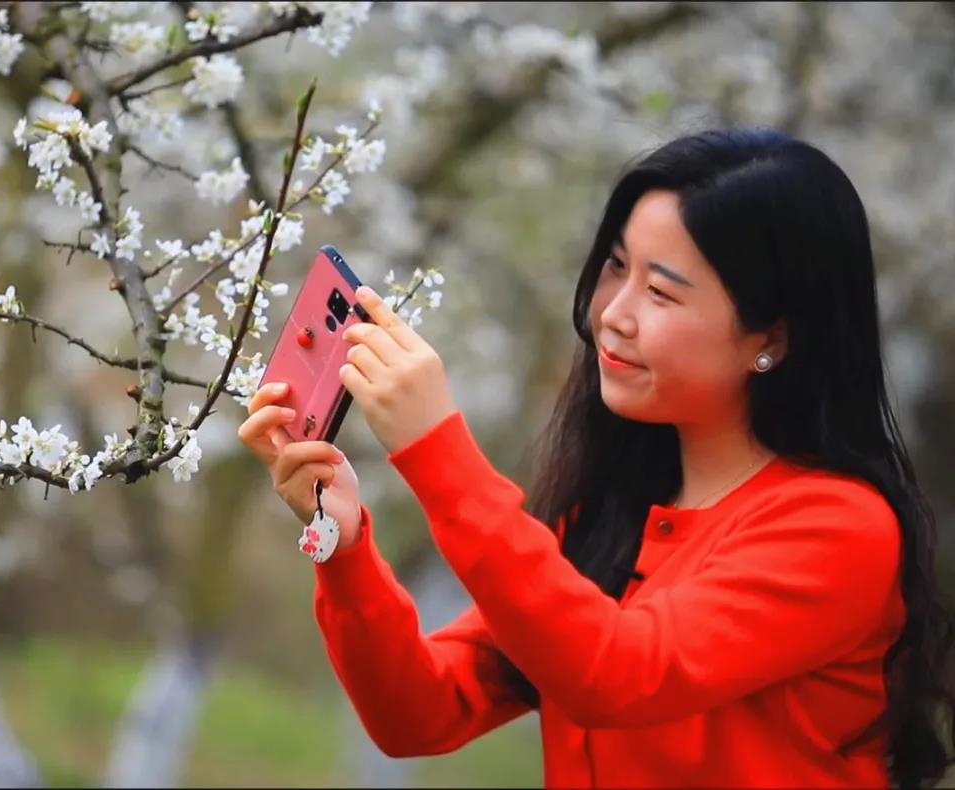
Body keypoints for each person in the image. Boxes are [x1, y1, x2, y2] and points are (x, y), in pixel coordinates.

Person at [237, 127, 955, 788]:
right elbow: (419, 712)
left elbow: (617, 672)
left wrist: (436, 450)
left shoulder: (838, 528)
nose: (614, 311)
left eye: (662, 292)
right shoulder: (610, 517)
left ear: (772, 337)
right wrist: (345, 543)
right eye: (616, 266)